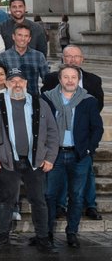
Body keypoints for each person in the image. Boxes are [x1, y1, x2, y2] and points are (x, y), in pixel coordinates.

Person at [0, 71, 59, 251]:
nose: (17, 84)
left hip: (35, 161)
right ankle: (2, 236)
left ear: (26, 82)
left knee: (38, 200)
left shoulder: (39, 103)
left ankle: (43, 238)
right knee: (6, 200)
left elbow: (52, 132)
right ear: (7, 83)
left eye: (20, 80)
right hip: (8, 160)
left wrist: (50, 158)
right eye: (12, 81)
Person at [43, 65, 104, 248]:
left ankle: (72, 233)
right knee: (50, 195)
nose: (70, 80)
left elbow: (97, 128)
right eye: (66, 77)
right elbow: (40, 125)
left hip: (79, 156)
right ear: (60, 79)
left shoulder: (88, 101)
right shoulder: (47, 99)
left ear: (78, 80)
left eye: (73, 77)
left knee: (76, 196)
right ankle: (47, 233)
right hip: (55, 154)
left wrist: (88, 150)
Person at [0, 25, 49, 96]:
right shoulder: (3, 57)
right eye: (20, 35)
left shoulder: (38, 56)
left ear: (29, 39)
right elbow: (0, 82)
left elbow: (47, 79)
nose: (23, 39)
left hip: (33, 98)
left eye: (26, 36)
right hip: (11, 98)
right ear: (13, 37)